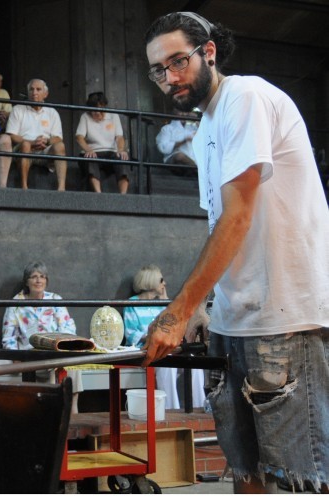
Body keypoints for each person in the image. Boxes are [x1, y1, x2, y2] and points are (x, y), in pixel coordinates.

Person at [144, 11, 329, 493]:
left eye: (178, 62)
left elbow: (238, 216)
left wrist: (177, 312)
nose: (169, 77)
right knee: (246, 478)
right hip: (235, 319)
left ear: (208, 52)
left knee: (296, 481)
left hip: (284, 317)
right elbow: (219, 226)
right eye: (158, 70)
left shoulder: (244, 96)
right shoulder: (206, 126)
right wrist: (207, 305)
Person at [1, 261, 81, 412]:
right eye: (34, 277)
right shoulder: (15, 303)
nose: (39, 281)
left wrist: (61, 344)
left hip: (55, 349)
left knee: (74, 362)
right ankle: (55, 409)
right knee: (54, 365)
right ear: (27, 281)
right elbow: (8, 336)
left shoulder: (55, 299)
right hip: (30, 354)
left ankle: (73, 410)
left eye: (42, 277)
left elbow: (68, 327)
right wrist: (15, 356)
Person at [123, 265, 205, 410]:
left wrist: (166, 301)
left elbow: (173, 326)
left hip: (170, 349)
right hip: (148, 352)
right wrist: (154, 337)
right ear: (150, 280)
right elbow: (131, 335)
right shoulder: (132, 303)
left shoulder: (162, 304)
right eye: (161, 280)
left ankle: (200, 407)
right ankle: (170, 409)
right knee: (167, 366)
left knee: (194, 362)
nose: (164, 283)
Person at [5, 79, 67, 191]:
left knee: (60, 146)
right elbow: (12, 135)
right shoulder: (18, 109)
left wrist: (46, 141)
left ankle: (61, 188)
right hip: (23, 149)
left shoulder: (52, 112)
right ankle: (24, 186)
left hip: (44, 149)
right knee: (25, 145)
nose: (34, 93)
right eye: (31, 89)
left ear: (45, 94)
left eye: (38, 89)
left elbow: (58, 138)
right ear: (27, 92)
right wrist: (32, 142)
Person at [75, 92, 131, 194]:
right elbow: (79, 137)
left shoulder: (113, 115)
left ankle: (123, 196)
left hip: (111, 152)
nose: (98, 114)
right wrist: (88, 149)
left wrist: (121, 150)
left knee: (122, 159)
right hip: (94, 151)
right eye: (94, 112)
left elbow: (119, 137)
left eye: (101, 111)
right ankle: (98, 193)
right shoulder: (85, 116)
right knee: (90, 158)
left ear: (105, 107)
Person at [155, 108, 199, 175]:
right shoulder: (167, 128)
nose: (184, 114)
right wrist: (183, 142)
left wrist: (196, 119)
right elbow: (163, 147)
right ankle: (199, 171)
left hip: (194, 160)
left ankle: (197, 170)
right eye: (181, 111)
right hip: (175, 161)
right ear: (175, 112)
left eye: (186, 112)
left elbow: (208, 137)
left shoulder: (193, 128)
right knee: (179, 156)